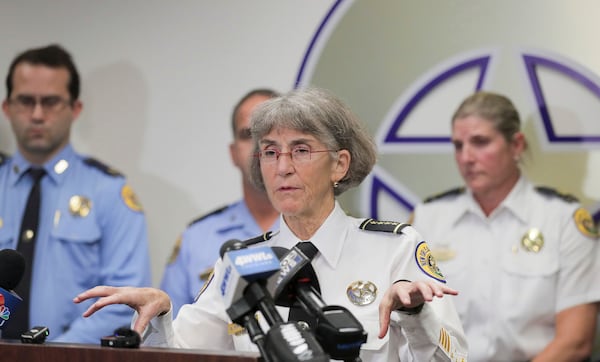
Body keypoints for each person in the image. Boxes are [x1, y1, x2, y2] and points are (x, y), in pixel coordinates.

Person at [74, 87, 468, 361]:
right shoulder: (241, 263)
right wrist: (161, 316)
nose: (282, 167)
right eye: (269, 152)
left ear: (340, 164)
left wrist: (416, 316)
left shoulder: (394, 250)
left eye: (300, 150)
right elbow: (185, 355)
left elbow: (454, 359)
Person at [410, 91, 599, 361]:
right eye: (458, 145)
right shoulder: (428, 218)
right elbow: (410, 326)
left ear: (517, 145)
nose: (466, 157)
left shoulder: (564, 220)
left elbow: (575, 341)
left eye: (480, 142)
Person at [0, 44, 151, 343]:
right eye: (26, 101)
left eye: (51, 102)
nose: (38, 114)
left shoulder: (109, 191)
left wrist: (51, 354)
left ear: (75, 109)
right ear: (7, 107)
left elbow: (123, 301)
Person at [160, 88, 280, 316]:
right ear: (233, 153)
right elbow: (167, 336)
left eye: (269, 133)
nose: (259, 146)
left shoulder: (315, 230)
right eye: (248, 134)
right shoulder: (195, 239)